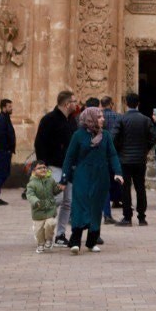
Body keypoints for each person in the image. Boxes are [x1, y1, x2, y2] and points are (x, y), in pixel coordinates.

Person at [61, 106, 124, 254]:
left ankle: (92, 241)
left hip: (101, 176)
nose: (103, 118)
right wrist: (64, 179)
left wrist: (118, 172)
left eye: (102, 116)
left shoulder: (106, 135)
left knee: (96, 208)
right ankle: (75, 241)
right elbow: (69, 158)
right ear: (91, 118)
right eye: (100, 116)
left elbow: (113, 155)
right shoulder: (78, 135)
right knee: (80, 206)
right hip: (82, 175)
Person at [35, 90, 78, 245]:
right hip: (54, 166)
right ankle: (45, 229)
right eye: (74, 101)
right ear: (67, 104)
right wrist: (42, 165)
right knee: (56, 198)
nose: (76, 104)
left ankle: (60, 234)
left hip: (70, 167)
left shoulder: (72, 121)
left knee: (68, 201)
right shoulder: (49, 120)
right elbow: (40, 143)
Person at [116, 93, 156, 226]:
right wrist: (145, 149)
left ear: (126, 103)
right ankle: (141, 217)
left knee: (125, 188)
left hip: (125, 160)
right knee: (140, 187)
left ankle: (127, 217)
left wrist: (119, 150)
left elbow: (113, 137)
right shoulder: (145, 120)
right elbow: (153, 137)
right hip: (140, 159)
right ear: (138, 104)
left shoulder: (121, 119)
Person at [25, 161, 59, 252]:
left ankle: (49, 240)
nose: (43, 169)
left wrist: (59, 188)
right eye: (39, 168)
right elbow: (30, 195)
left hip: (50, 209)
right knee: (38, 231)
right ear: (33, 170)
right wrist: (36, 201)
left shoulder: (50, 180)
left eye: (44, 167)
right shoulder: (31, 184)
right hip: (38, 211)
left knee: (50, 224)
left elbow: (55, 191)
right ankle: (41, 244)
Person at [0, 98, 15, 206]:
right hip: (2, 151)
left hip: (5, 151)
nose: (11, 108)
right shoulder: (1, 119)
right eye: (9, 106)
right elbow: (1, 137)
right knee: (1, 173)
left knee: (4, 173)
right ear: (4, 107)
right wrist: (7, 149)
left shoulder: (5, 118)